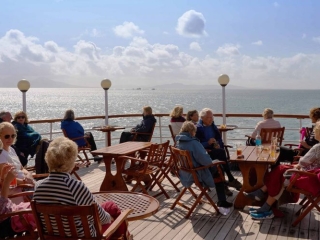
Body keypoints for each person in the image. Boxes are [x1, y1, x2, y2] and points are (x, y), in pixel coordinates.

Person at [33, 137, 130, 238]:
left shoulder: (38, 186)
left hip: (52, 236)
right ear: (71, 161)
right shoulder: (76, 187)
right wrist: (111, 219)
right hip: (83, 237)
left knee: (109, 206)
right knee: (113, 212)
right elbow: (101, 218)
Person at [244, 121, 320, 219]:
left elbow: (303, 162)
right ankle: (262, 197)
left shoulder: (318, 147)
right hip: (313, 175)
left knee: (280, 175)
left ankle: (265, 205)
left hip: (308, 178)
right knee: (281, 171)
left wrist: (298, 164)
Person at [175, 121, 233, 208]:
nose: (195, 134)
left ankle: (225, 189)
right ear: (191, 132)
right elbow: (206, 162)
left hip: (184, 172)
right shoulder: (193, 143)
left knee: (216, 166)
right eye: (195, 132)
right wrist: (213, 160)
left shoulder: (179, 142)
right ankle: (222, 200)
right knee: (219, 168)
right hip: (197, 173)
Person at [196, 108, 242, 195]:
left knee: (220, 153)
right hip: (205, 153)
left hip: (215, 151)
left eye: (211, 117)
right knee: (221, 155)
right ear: (202, 118)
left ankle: (226, 183)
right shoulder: (198, 129)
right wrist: (207, 143)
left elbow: (219, 139)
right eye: (208, 118)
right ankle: (229, 180)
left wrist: (218, 144)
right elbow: (197, 145)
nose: (211, 119)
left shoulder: (213, 126)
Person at [0, 162, 36, 238]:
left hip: (13, 211)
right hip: (8, 221)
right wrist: (7, 181)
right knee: (41, 212)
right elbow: (1, 208)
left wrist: (3, 178)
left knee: (39, 204)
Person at [0, 122, 35, 189]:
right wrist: (25, 182)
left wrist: (28, 175)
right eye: (7, 136)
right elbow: (5, 179)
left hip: (25, 184)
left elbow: (22, 168)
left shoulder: (12, 149)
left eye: (13, 136)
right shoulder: (1, 154)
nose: (10, 139)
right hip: (16, 190)